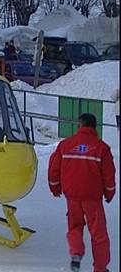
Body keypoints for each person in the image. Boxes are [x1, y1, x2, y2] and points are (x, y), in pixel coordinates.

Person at [48, 113, 115, 272]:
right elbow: (109, 174)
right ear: (94, 127)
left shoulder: (65, 145)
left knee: (75, 227)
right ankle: (100, 268)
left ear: (79, 126)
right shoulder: (101, 148)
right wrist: (109, 193)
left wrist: (55, 188)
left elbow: (53, 169)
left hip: (72, 196)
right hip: (93, 197)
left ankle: (76, 253)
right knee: (99, 235)